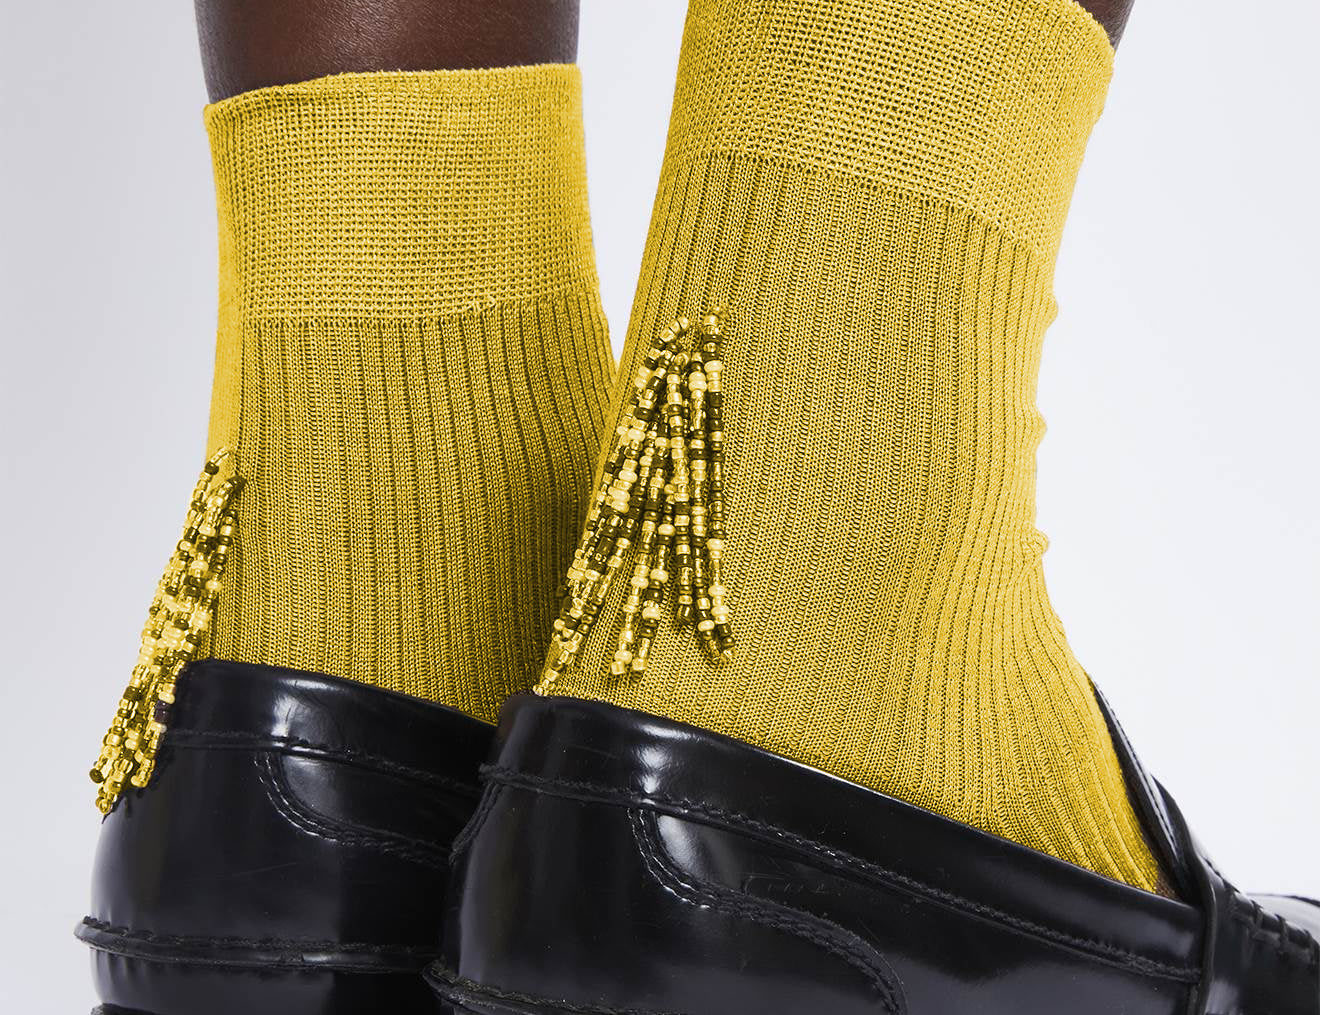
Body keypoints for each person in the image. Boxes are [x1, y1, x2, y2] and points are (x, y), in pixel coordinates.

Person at [77, 2, 1319, 1013]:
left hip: (215, 757)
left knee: (373, 417)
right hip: (791, 795)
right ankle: (800, 662)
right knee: (803, 548)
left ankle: (354, 586)